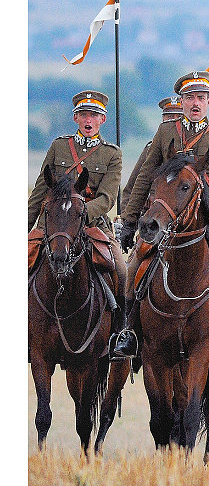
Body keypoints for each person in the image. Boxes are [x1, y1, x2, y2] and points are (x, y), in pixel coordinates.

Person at [114, 71, 209, 362]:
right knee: (135, 264)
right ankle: (129, 331)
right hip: (168, 215)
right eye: (191, 97)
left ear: (208, 103)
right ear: (181, 101)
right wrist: (130, 221)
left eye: (201, 98)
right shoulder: (166, 133)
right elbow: (145, 177)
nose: (196, 103)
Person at [28, 90, 127, 343]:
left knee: (121, 268)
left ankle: (120, 333)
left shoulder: (112, 154)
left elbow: (107, 198)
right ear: (75, 118)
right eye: (83, 114)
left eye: (93, 115)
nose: (88, 120)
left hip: (92, 224)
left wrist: (80, 214)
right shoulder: (59, 146)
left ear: (102, 119)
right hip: (52, 225)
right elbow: (40, 190)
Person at [121, 97, 182, 210]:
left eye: (179, 117)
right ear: (163, 119)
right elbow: (130, 189)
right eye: (169, 117)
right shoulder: (151, 149)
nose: (173, 121)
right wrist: (126, 215)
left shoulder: (190, 150)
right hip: (150, 211)